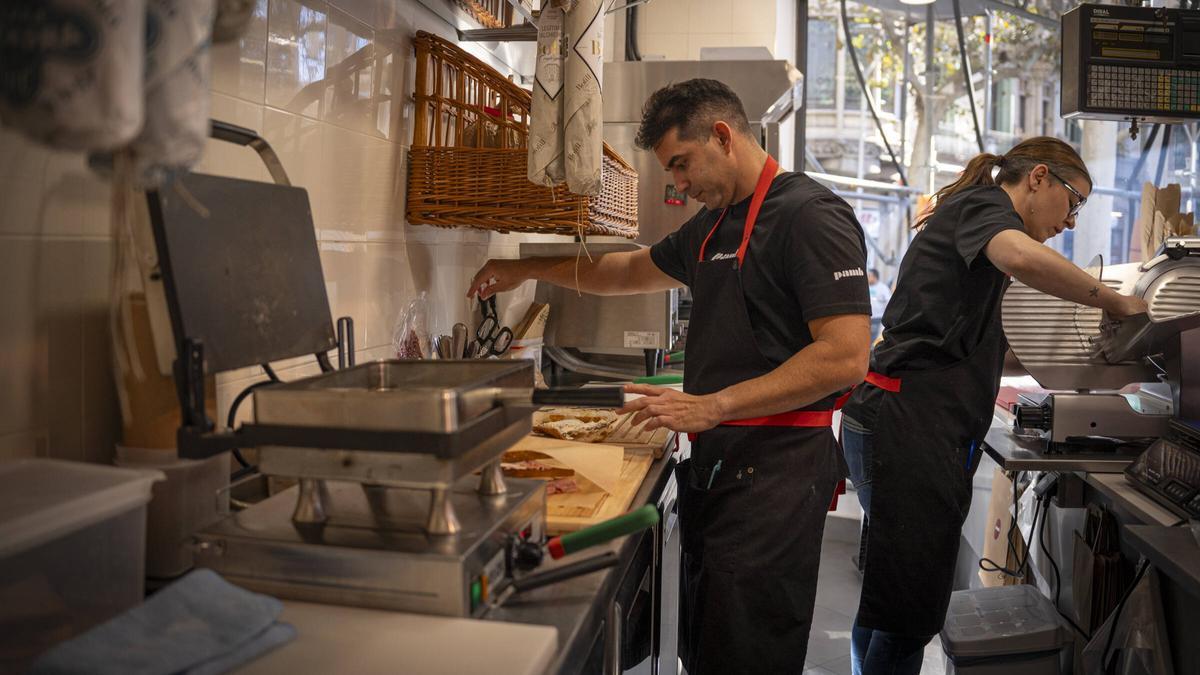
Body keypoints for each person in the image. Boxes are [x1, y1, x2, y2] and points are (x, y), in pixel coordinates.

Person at [468, 79, 872, 674]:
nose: (678, 185)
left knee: (748, 652)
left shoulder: (810, 216)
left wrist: (711, 405)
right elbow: (627, 270)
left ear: (724, 136)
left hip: (779, 474)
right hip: (720, 466)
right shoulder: (713, 225)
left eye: (681, 164)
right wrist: (521, 268)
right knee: (709, 645)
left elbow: (844, 356)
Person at [839, 137, 1148, 675]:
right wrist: (1117, 300)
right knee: (910, 607)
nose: (1072, 221)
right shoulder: (984, 208)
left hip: (906, 424)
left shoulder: (978, 225)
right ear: (1039, 177)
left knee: (894, 590)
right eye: (1074, 202)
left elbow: (967, 344)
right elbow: (1024, 258)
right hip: (906, 426)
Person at [866, 268, 891, 342]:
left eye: (869, 275)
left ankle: (870, 352)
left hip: (876, 318)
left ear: (874, 277)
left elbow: (888, 301)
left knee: (872, 338)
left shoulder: (883, 288)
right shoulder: (866, 287)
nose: (867, 277)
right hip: (867, 317)